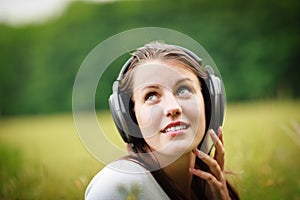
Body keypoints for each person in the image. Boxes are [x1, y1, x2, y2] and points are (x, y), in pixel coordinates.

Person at [85, 41, 239, 200]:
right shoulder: (118, 185)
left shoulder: (211, 189)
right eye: (151, 96)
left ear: (209, 103)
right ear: (130, 117)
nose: (173, 108)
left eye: (183, 90)